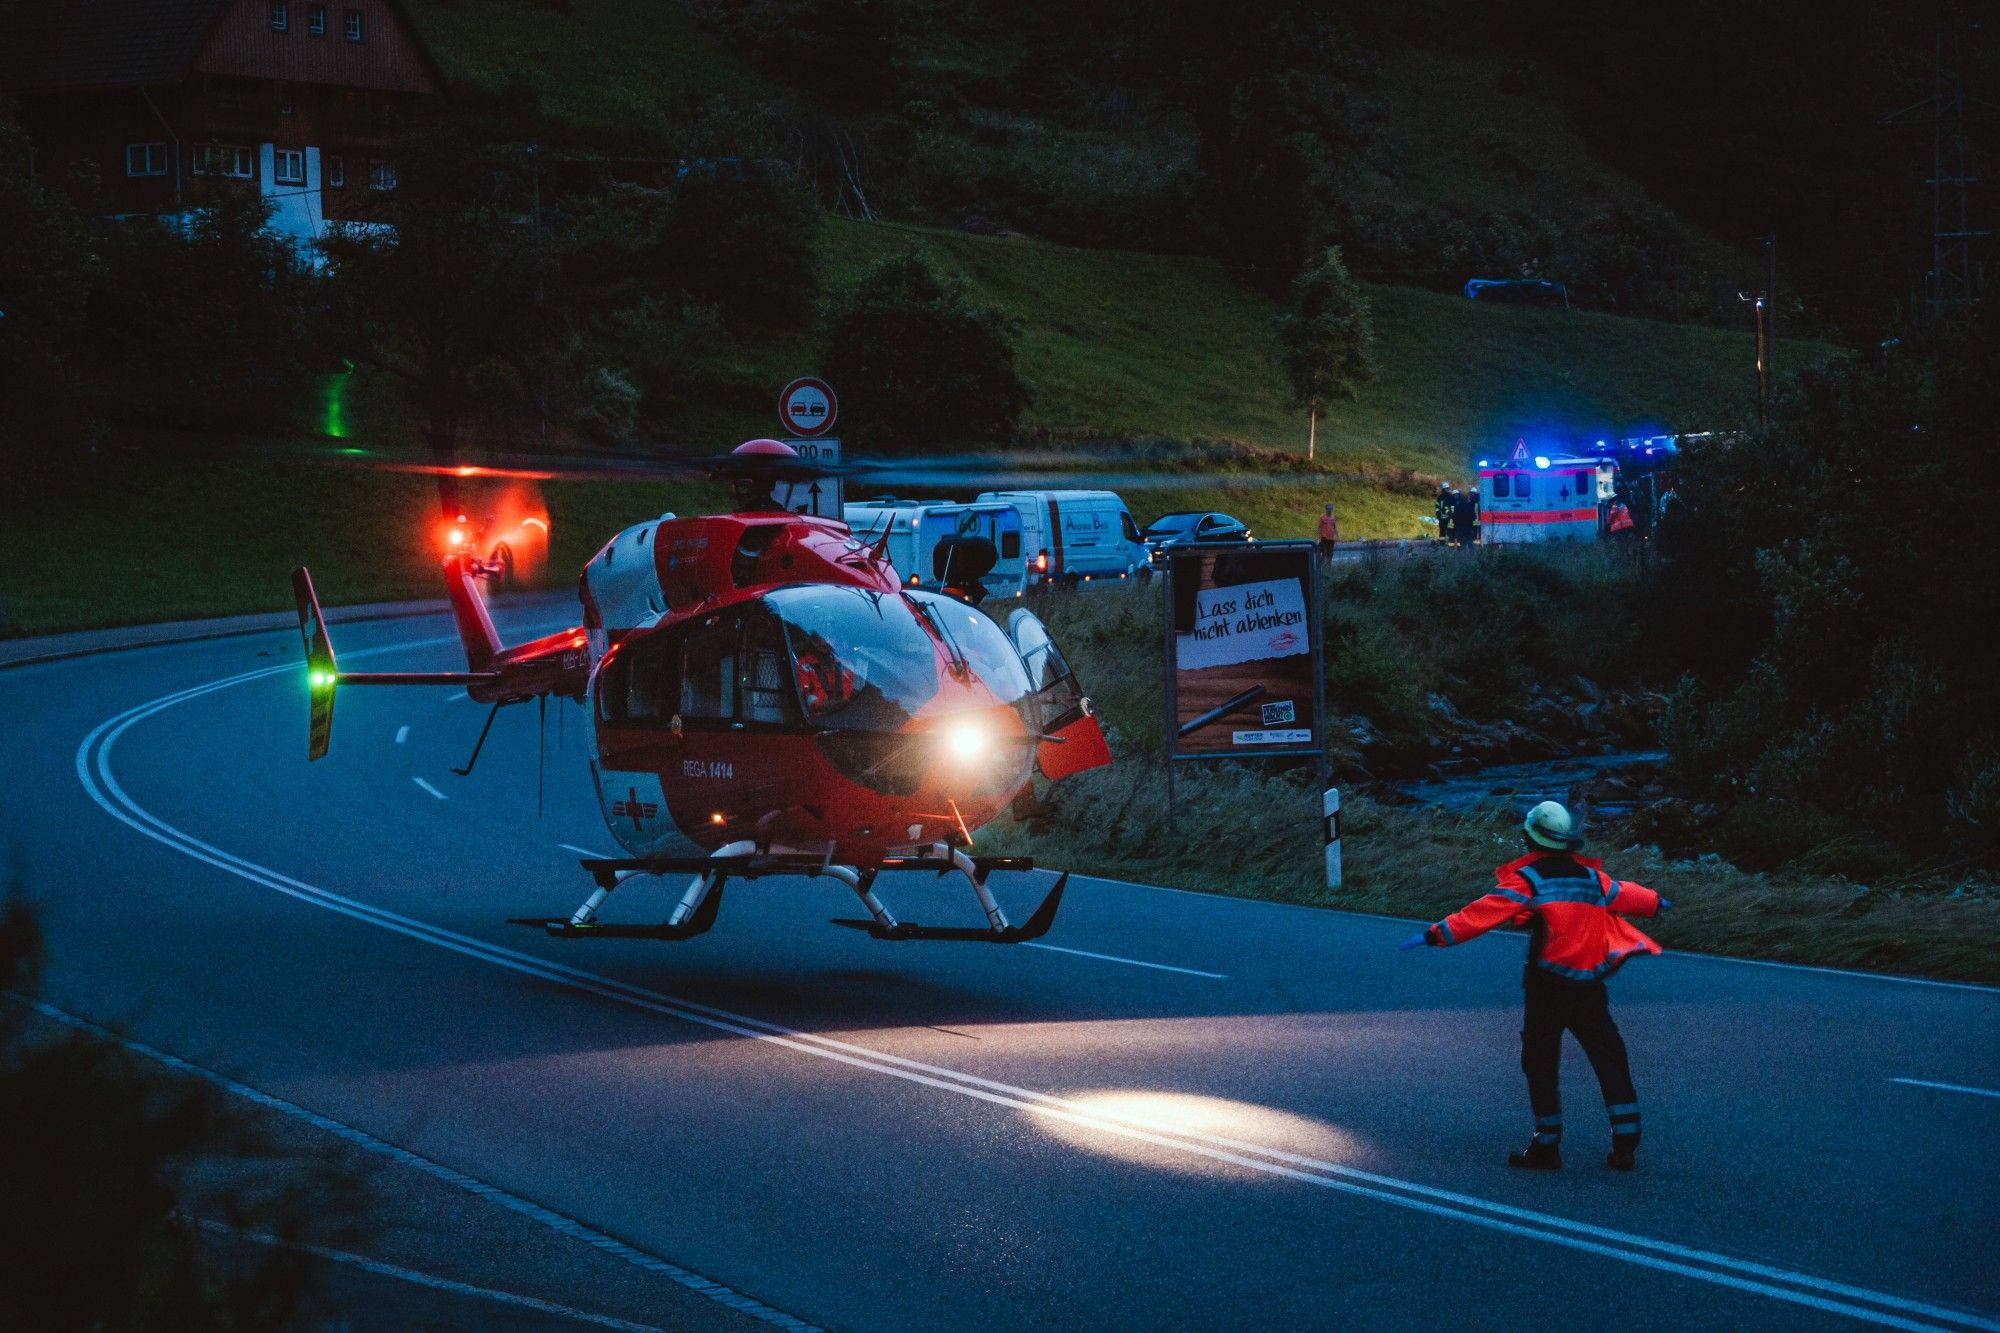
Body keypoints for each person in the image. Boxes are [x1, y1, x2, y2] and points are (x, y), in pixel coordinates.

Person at [1400, 800, 1670, 1171]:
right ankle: (1626, 1142)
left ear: (1529, 838)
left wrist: (1434, 936)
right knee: (1608, 1055)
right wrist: (1656, 902)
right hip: (1589, 983)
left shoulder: (1530, 880)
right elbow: (1624, 893)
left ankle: (1547, 1145)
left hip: (1548, 985)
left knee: (1541, 1061)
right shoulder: (1591, 878)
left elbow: (1480, 914)